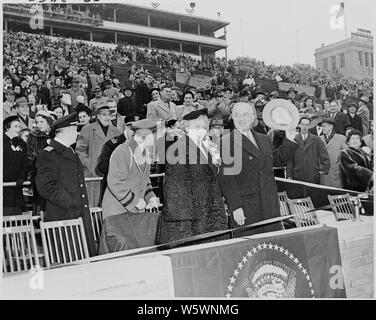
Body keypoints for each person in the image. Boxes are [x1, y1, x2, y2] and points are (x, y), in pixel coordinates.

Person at [219, 102, 298, 236]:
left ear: (253, 117)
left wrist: (289, 140)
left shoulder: (264, 138)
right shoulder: (226, 141)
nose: (241, 119)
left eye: (245, 115)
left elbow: (275, 161)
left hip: (269, 203)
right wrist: (236, 207)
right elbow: (227, 180)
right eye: (237, 115)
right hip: (246, 207)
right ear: (232, 117)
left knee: (274, 247)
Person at [159, 109, 228, 243]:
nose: (201, 131)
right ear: (186, 128)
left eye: (204, 127)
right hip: (192, 219)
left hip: (209, 211)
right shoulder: (180, 148)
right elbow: (175, 186)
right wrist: (184, 223)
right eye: (196, 127)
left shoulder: (205, 147)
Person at [35, 113, 96, 256]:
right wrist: (70, 201)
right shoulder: (48, 154)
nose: (77, 134)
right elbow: (45, 187)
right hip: (64, 215)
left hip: (78, 214)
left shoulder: (69, 150)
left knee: (84, 259)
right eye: (75, 130)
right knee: (70, 259)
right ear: (66, 131)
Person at [101, 118, 160, 219]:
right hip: (117, 213)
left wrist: (151, 197)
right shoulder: (122, 152)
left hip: (135, 212)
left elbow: (144, 182)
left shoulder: (146, 153)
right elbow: (115, 183)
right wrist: (135, 201)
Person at [75, 104, 121, 207]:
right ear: (98, 116)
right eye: (104, 115)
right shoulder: (88, 129)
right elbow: (80, 150)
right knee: (93, 203)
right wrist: (89, 165)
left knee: (109, 204)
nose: (107, 117)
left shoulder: (116, 131)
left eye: (109, 115)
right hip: (93, 174)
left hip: (110, 173)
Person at [95, 114, 143, 205]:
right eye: (133, 128)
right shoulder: (112, 144)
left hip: (136, 196)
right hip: (116, 196)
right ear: (126, 127)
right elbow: (102, 166)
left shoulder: (141, 145)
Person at [286, 117, 330, 184]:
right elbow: (289, 159)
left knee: (313, 193)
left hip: (313, 174)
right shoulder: (293, 139)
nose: (305, 127)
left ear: (309, 126)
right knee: (299, 194)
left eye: (307, 125)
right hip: (297, 174)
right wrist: (289, 173)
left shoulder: (316, 139)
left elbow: (324, 155)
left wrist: (324, 169)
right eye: (303, 124)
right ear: (299, 125)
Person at [27, 110, 54, 215]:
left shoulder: (55, 134)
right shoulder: (33, 136)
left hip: (54, 175)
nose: (39, 124)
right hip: (39, 174)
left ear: (48, 121)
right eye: (37, 122)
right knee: (40, 206)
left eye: (41, 122)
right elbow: (30, 156)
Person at [3, 116, 29, 216]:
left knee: (18, 215)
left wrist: (22, 176)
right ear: (7, 128)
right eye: (15, 126)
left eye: (19, 126)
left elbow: (26, 162)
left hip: (17, 186)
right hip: (5, 187)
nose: (18, 129)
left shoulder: (21, 143)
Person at [319, 118, 347, 188]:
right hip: (323, 172)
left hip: (335, 171)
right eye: (322, 126)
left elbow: (346, 154)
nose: (322, 128)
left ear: (331, 126)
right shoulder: (319, 138)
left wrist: (339, 166)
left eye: (324, 126)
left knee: (335, 193)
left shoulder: (341, 138)